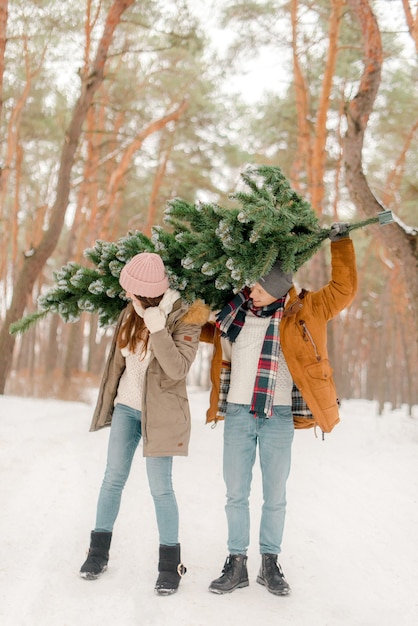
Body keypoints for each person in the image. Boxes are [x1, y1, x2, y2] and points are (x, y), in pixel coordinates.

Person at [203, 223, 357, 595]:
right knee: (235, 493)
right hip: (238, 415)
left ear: (275, 289)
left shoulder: (305, 310)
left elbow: (344, 289)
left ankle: (269, 563)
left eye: (257, 286)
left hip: (278, 417)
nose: (250, 291)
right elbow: (201, 320)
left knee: (276, 495)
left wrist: (340, 243)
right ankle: (236, 562)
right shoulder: (235, 311)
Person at [79, 252, 209, 595]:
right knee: (112, 479)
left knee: (160, 489)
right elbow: (120, 363)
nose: (126, 297)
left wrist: (157, 327)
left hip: (161, 415)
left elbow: (178, 368)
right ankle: (97, 553)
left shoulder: (187, 316)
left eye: (131, 292)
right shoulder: (129, 313)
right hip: (127, 408)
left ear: (145, 292)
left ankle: (170, 566)